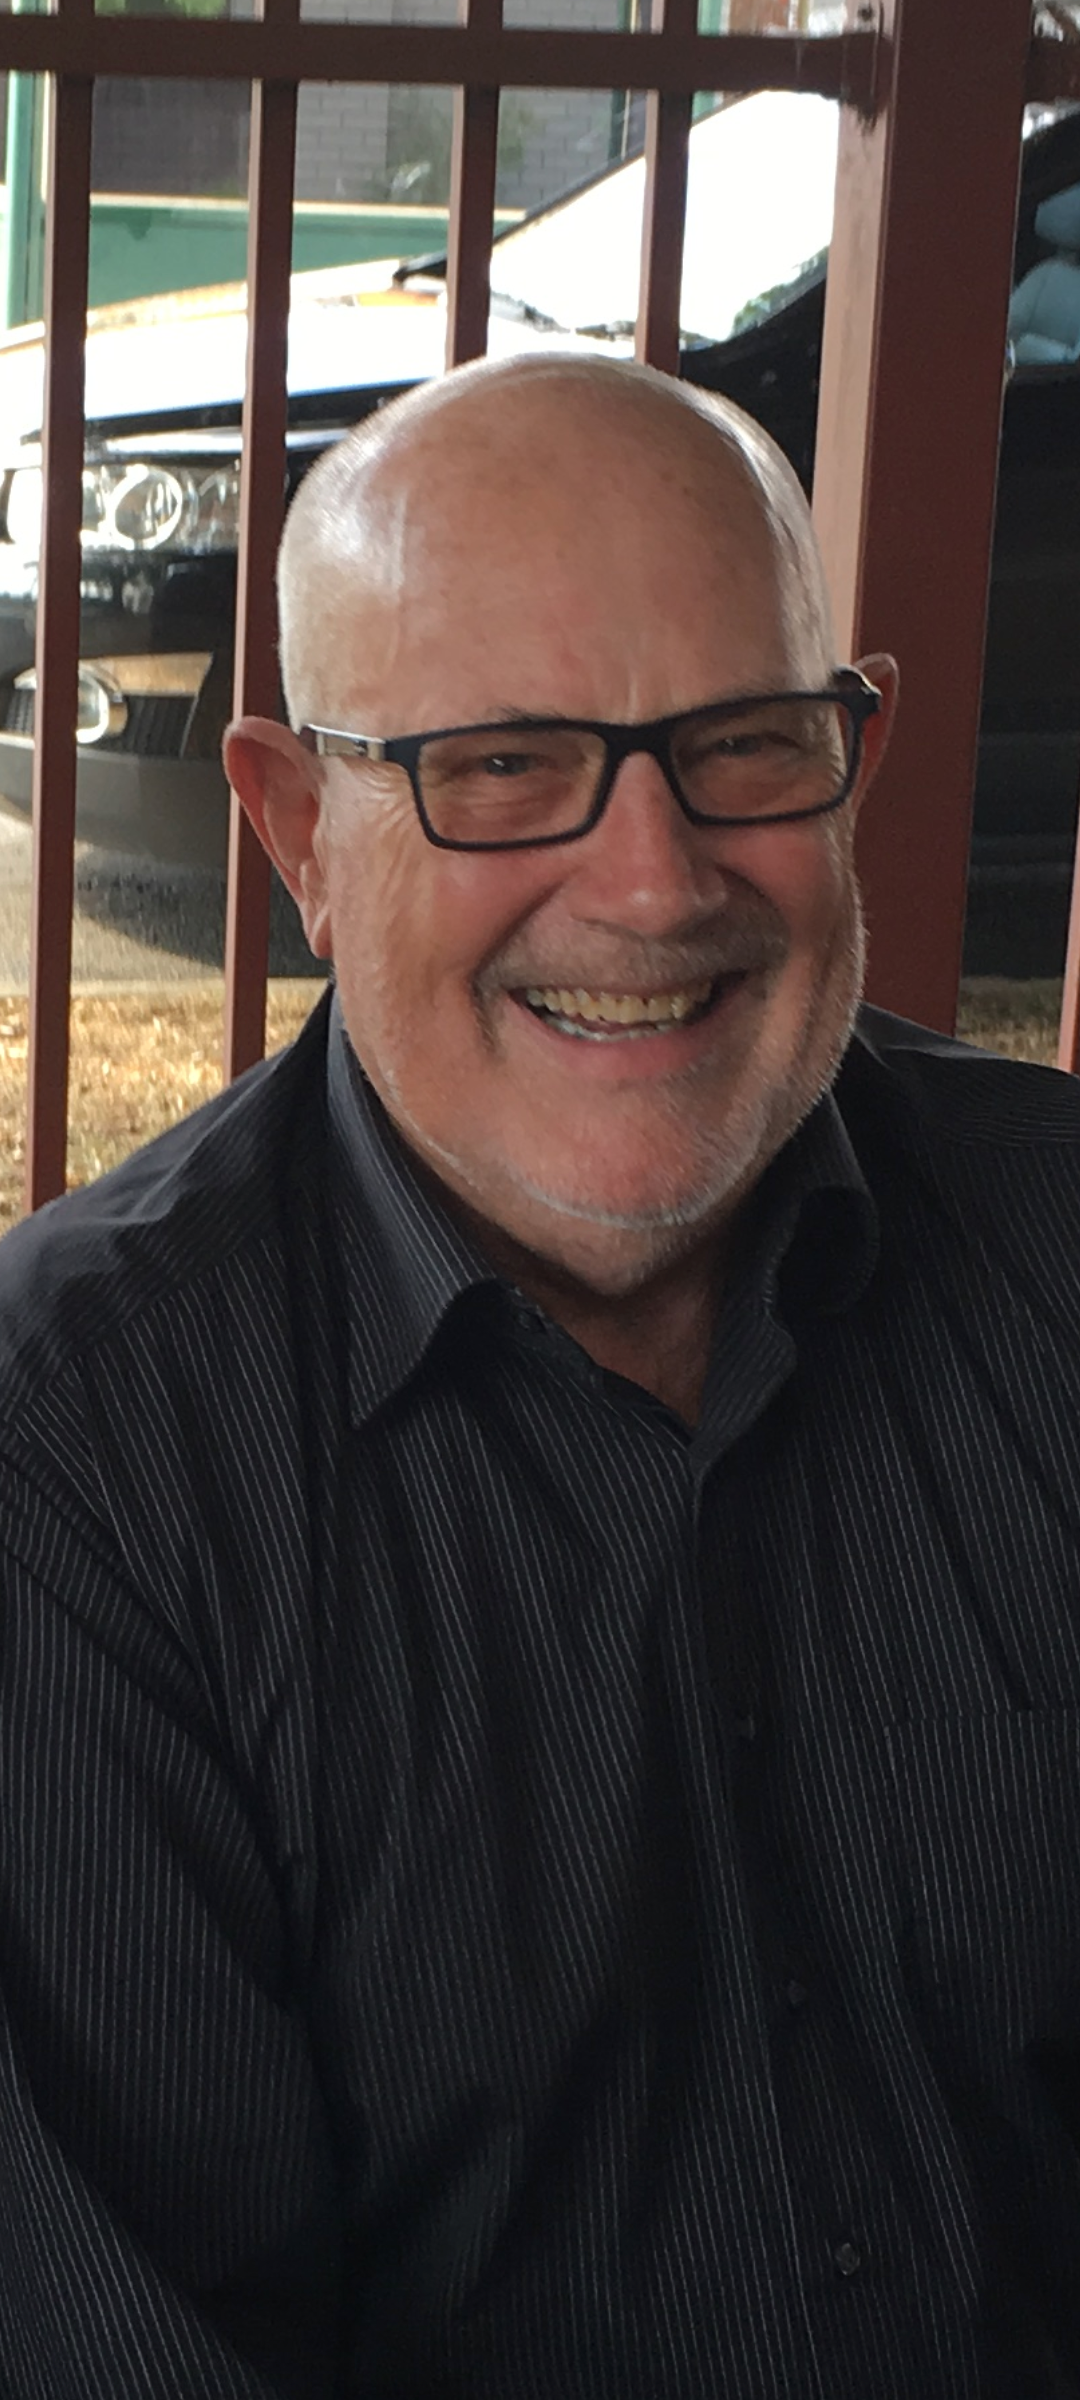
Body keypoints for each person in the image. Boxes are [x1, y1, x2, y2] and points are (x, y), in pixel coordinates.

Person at [0, 353, 1078, 2400]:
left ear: (851, 758)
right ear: (301, 832)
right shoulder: (74, 1471)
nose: (656, 884)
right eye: (500, 765)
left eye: (744, 745)